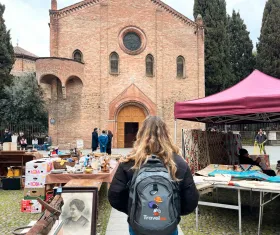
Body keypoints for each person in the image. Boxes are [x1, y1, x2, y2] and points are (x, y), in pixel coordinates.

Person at [108, 116, 199, 235]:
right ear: (167, 134)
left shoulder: (130, 162)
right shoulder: (178, 163)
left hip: (138, 225)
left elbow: (114, 195)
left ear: (141, 134)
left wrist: (135, 209)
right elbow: (191, 200)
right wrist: (171, 210)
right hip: (168, 225)